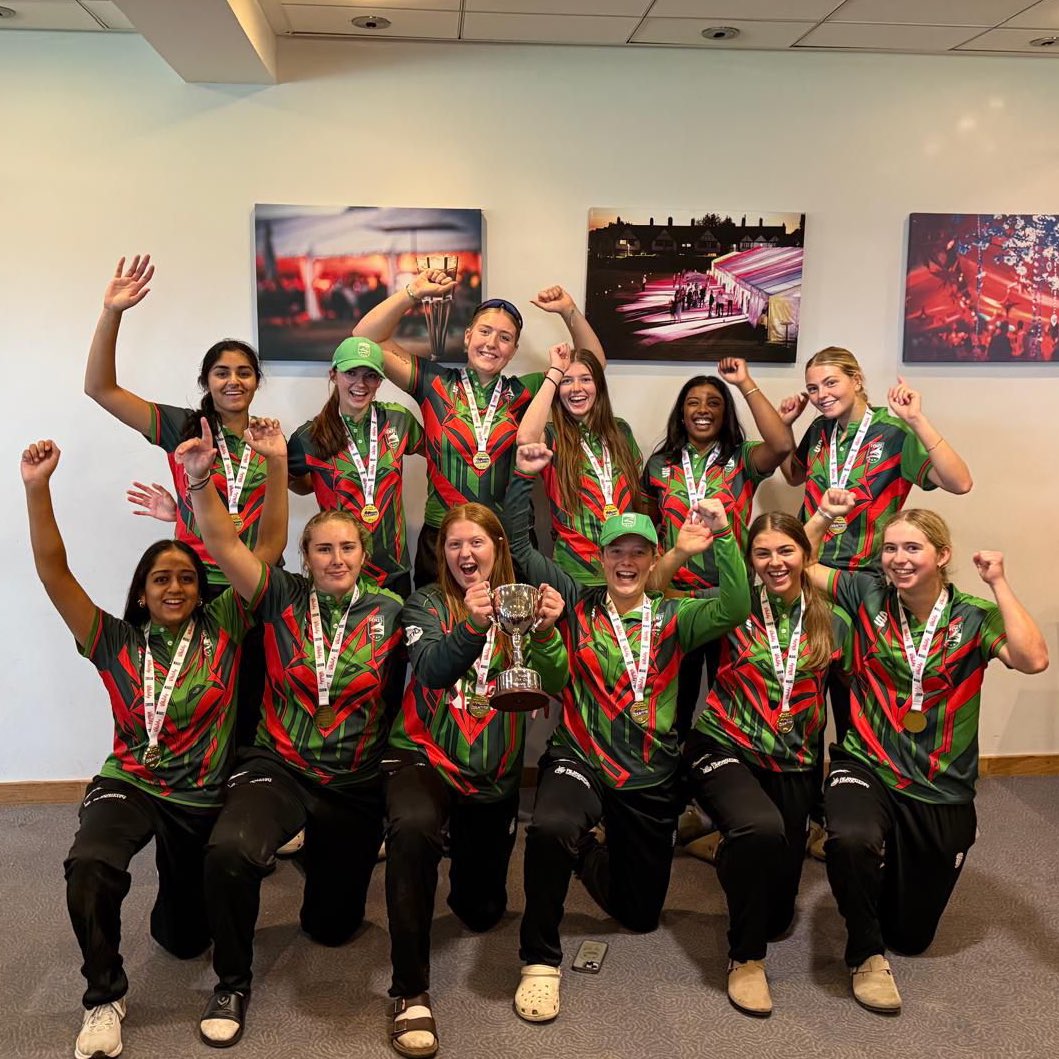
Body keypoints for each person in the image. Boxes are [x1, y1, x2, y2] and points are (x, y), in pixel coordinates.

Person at [21, 438, 273, 1059]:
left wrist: (272, 466)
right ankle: (102, 997)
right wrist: (36, 488)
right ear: (142, 592)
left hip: (201, 798)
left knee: (182, 939)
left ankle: (179, 902)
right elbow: (55, 571)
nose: (176, 587)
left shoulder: (227, 626)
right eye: (162, 578)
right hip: (130, 784)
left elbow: (262, 550)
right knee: (90, 862)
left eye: (187, 578)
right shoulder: (112, 639)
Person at [504, 442, 752, 1024]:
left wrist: (723, 537)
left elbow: (737, 604)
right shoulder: (577, 604)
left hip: (649, 769)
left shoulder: (677, 613)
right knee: (549, 827)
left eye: (638, 553)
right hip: (582, 757)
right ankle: (538, 960)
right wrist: (543, 635)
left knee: (639, 915)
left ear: (652, 558)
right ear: (601, 555)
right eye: (617, 550)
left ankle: (591, 851)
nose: (626, 561)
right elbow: (557, 676)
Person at [175, 419, 404, 1049]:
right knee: (229, 850)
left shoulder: (391, 611)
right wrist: (199, 483)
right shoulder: (277, 594)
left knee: (332, 928)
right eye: (324, 549)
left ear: (366, 553)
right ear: (305, 557)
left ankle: (316, 857)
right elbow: (223, 544)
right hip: (278, 765)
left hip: (353, 783)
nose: (336, 559)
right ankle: (232, 980)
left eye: (348, 548)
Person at [806, 497, 1047, 1014]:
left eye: (912, 547)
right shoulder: (867, 591)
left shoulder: (974, 616)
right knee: (849, 837)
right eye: (890, 548)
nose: (899, 558)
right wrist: (824, 514)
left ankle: (909, 857)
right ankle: (865, 954)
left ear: (942, 555)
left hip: (940, 782)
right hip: (865, 761)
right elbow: (798, 561)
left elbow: (1033, 659)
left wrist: (998, 583)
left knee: (912, 936)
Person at [384, 504, 567, 1058]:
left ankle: (464, 854)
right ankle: (409, 992)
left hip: (493, 774)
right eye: (455, 545)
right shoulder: (425, 603)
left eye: (477, 543)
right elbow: (435, 670)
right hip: (424, 757)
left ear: (498, 548)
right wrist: (474, 622)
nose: (466, 554)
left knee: (481, 911)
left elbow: (554, 681)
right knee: (413, 831)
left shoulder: (525, 601)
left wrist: (550, 632)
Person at [777, 346, 973, 857]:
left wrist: (918, 418)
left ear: (857, 379)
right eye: (813, 387)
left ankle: (854, 811)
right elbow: (796, 478)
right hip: (812, 574)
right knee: (802, 694)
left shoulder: (893, 431)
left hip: (865, 583)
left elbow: (959, 481)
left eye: (830, 384)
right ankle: (809, 818)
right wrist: (788, 423)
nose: (821, 395)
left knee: (856, 700)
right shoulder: (821, 430)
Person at [660, 507, 847, 1016]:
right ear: (748, 560)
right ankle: (745, 959)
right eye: (762, 553)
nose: (775, 562)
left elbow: (859, 696)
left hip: (794, 761)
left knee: (778, 915)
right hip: (725, 745)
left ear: (806, 555)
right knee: (760, 829)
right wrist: (684, 549)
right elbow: (657, 592)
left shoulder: (836, 619)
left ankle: (725, 846)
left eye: (785, 550)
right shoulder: (730, 608)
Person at [84, 254, 276, 745]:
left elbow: (296, 491)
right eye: (221, 372)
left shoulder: (270, 439)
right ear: (206, 382)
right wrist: (113, 312)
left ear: (256, 382)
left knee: (247, 700)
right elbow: (100, 389)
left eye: (244, 372)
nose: (233, 380)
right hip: (191, 587)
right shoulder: (180, 428)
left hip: (248, 590)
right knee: (190, 703)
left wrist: (181, 510)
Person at [353, 272, 604, 586]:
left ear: (512, 351)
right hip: (445, 538)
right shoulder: (433, 382)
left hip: (509, 538)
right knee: (443, 626)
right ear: (468, 336)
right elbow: (364, 339)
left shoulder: (528, 390)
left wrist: (569, 310)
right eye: (485, 331)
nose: (492, 343)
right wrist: (413, 292)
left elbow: (594, 365)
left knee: (512, 629)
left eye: (505, 337)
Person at [642, 358, 794, 741]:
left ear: (725, 412)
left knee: (731, 694)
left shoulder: (742, 458)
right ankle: (675, 787)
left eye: (714, 402)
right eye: (693, 402)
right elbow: (649, 530)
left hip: (731, 597)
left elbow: (781, 444)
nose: (703, 410)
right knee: (676, 698)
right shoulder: (661, 465)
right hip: (678, 599)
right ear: (682, 412)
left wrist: (744, 383)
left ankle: (721, 778)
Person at [287, 336, 424, 601]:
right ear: (333, 375)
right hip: (338, 571)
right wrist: (315, 484)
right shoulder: (308, 437)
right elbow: (291, 481)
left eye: (371, 375)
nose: (360, 384)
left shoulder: (399, 421)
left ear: (380, 381)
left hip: (393, 571)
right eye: (351, 373)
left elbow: (439, 454)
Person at [516, 341, 642, 586]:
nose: (576, 389)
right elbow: (525, 438)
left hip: (626, 568)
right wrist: (554, 372)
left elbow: (641, 498)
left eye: (585, 379)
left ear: (599, 386)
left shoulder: (621, 431)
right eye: (566, 381)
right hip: (574, 571)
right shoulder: (552, 437)